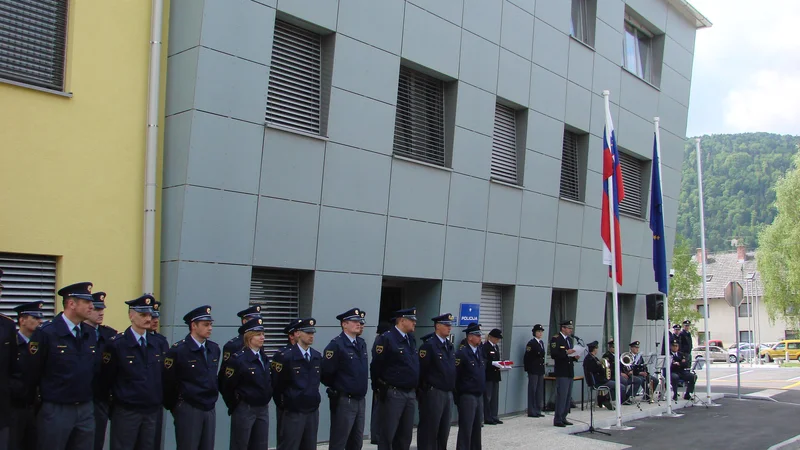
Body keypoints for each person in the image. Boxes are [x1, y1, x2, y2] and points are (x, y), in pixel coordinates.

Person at [100, 294, 168, 450]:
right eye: (142, 314)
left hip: (151, 411)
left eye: (149, 314)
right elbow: (105, 380)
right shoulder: (117, 344)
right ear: (131, 315)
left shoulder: (158, 343)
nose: (147, 318)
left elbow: (164, 377)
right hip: (127, 411)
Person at [163, 305, 220, 450]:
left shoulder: (214, 349)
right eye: (206, 325)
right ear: (193, 326)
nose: (210, 328)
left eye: (211, 324)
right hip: (189, 407)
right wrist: (177, 406)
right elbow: (168, 382)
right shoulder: (179, 351)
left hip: (209, 407)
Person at [370, 308, 419, 450]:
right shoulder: (387, 338)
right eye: (412, 320)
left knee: (405, 435)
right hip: (394, 392)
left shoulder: (410, 339)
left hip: (410, 392)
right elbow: (376, 366)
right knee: (387, 433)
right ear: (402, 320)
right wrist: (379, 387)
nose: (415, 323)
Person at [221, 317, 273, 450]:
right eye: (258, 335)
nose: (262, 337)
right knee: (241, 444)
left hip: (262, 408)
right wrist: (236, 404)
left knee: (260, 445)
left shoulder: (263, 357)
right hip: (245, 408)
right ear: (249, 337)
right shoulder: (238, 359)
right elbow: (227, 385)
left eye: (263, 334)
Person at [321, 308, 368, 450]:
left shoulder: (361, 343)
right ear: (344, 324)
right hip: (344, 399)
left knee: (356, 441)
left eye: (359, 321)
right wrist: (340, 386)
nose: (358, 324)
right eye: (354, 321)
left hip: (360, 399)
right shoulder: (336, 345)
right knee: (340, 440)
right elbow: (326, 373)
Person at [272, 317, 322, 450]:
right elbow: (277, 385)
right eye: (308, 332)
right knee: (289, 445)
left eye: (312, 333)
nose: (311, 336)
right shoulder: (286, 356)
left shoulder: (316, 356)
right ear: (298, 333)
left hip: (312, 410)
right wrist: (287, 403)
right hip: (294, 411)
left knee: (309, 446)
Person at [417, 313, 456, 450]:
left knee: (444, 430)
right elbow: (421, 371)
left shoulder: (449, 345)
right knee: (430, 429)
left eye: (450, 325)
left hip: (447, 392)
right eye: (446, 325)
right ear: (438, 326)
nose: (449, 328)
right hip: (434, 392)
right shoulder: (429, 346)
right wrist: (423, 392)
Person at [9, 301, 44, 450]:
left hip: (36, 407)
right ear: (22, 320)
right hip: (14, 408)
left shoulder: (42, 344)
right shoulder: (11, 344)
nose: (39, 322)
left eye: (40, 318)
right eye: (34, 318)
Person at [86, 291, 117, 450]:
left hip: (101, 397)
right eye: (97, 309)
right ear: (88, 309)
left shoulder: (110, 335)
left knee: (98, 441)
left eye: (102, 309)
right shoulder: (81, 333)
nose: (101, 313)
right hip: (83, 395)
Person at [219, 306, 263, 395]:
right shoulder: (233, 345)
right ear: (244, 321)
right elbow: (225, 378)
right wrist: (235, 403)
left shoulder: (258, 342)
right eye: (253, 320)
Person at [455, 323, 485, 450]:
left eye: (480, 335)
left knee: (477, 427)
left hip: (478, 394)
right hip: (467, 395)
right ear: (470, 337)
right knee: (466, 428)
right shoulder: (462, 353)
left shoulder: (479, 351)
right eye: (477, 336)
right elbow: (456, 375)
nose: (480, 338)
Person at [275, 320, 300, 448]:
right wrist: (283, 403)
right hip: (288, 408)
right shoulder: (282, 355)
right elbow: (276, 384)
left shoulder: (310, 354)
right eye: (298, 331)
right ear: (291, 335)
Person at [549, 319, 578, 428]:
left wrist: (574, 357)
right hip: (562, 371)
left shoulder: (569, 340)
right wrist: (566, 352)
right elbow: (554, 354)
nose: (570, 330)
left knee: (567, 396)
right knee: (562, 395)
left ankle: (564, 416)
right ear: (563, 328)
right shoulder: (556, 339)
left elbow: (569, 356)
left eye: (571, 328)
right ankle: (558, 418)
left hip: (569, 370)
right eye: (569, 328)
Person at [148, 301, 167, 450]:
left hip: (156, 400)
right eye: (151, 317)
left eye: (156, 317)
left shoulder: (161, 341)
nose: (154, 321)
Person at [369, 321, 392, 446]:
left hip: (381, 382)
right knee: (379, 410)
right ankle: (376, 435)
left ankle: (377, 434)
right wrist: (377, 383)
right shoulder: (380, 341)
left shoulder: (381, 339)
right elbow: (377, 364)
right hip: (381, 382)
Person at [582, 341, 616, 410]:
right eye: (597, 348)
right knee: (619, 387)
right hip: (598, 381)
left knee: (616, 384)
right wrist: (602, 368)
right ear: (595, 349)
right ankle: (605, 399)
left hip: (600, 380)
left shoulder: (593, 358)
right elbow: (596, 370)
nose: (597, 350)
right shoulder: (590, 359)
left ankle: (602, 399)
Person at [523, 324, 546, 418]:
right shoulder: (531, 343)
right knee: (533, 389)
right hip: (533, 369)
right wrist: (528, 369)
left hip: (540, 369)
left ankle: (538, 409)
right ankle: (532, 411)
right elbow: (527, 357)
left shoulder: (541, 343)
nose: (540, 333)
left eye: (541, 332)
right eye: (538, 332)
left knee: (539, 390)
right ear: (534, 333)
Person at [481, 328, 503, 425]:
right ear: (491, 337)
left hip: (495, 375)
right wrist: (493, 363)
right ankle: (487, 417)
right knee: (488, 397)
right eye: (497, 338)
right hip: (488, 375)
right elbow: (484, 361)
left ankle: (494, 416)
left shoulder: (496, 347)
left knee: (495, 397)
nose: (498, 340)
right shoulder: (485, 347)